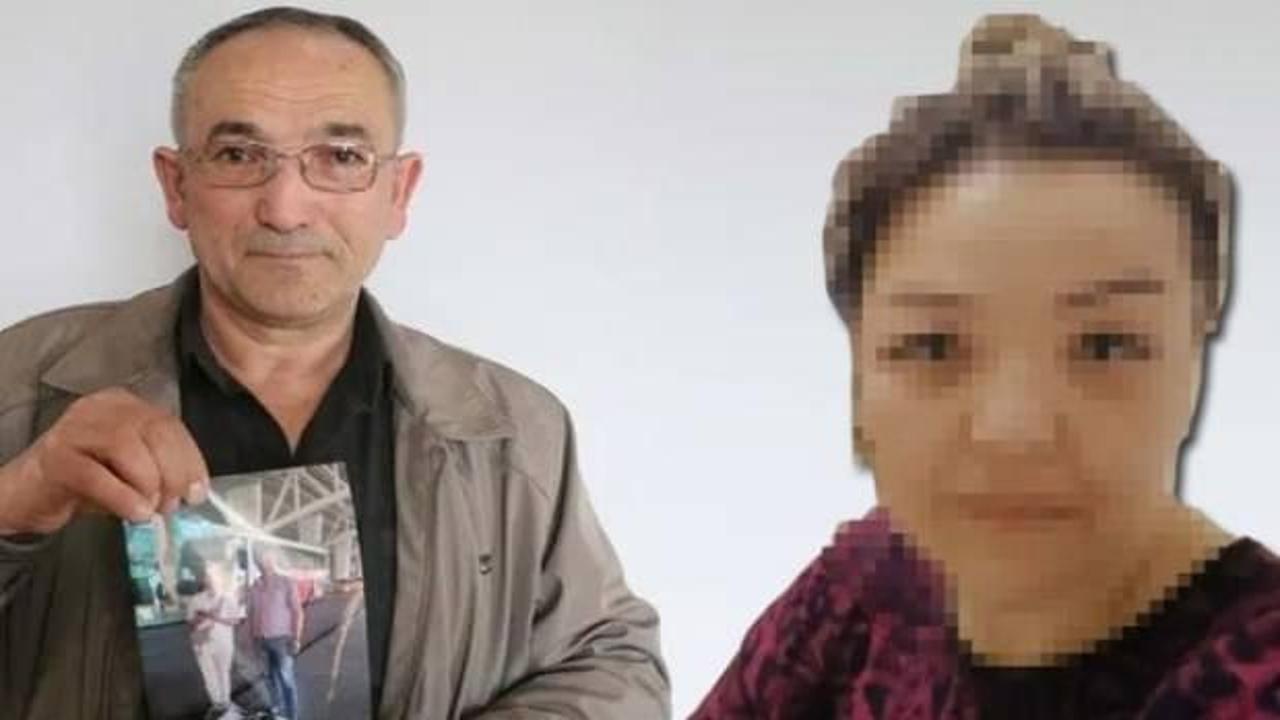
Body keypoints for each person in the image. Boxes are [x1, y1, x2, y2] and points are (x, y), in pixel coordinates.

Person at [0, 6, 668, 719]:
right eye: (238, 155)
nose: (286, 209)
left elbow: (617, 663)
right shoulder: (19, 384)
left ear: (398, 192)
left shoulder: (512, 430)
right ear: (175, 185)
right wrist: (17, 505)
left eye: (341, 157)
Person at [693, 14, 1280, 720]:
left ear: (1195, 358)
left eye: (1105, 346)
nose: (1015, 431)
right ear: (859, 371)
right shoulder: (863, 594)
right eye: (934, 347)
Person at [247, 549, 304, 720]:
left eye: (267, 558)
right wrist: (252, 640)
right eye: (260, 559)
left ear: (274, 559)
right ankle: (277, 711)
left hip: (282, 640)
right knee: (269, 679)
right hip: (261, 640)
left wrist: (296, 638)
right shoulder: (254, 586)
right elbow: (252, 614)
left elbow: (297, 612)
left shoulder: (286, 582)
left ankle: (292, 716)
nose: (263, 562)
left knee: (286, 680)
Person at [187, 561, 243, 719]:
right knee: (209, 675)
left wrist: (214, 616)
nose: (210, 579)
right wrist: (200, 618)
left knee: (223, 672)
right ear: (204, 579)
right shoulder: (196, 600)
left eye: (213, 575)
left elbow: (235, 621)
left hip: (224, 642)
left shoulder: (228, 598)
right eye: (207, 576)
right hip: (202, 644)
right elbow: (190, 624)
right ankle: (218, 705)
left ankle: (226, 703)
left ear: (219, 577)